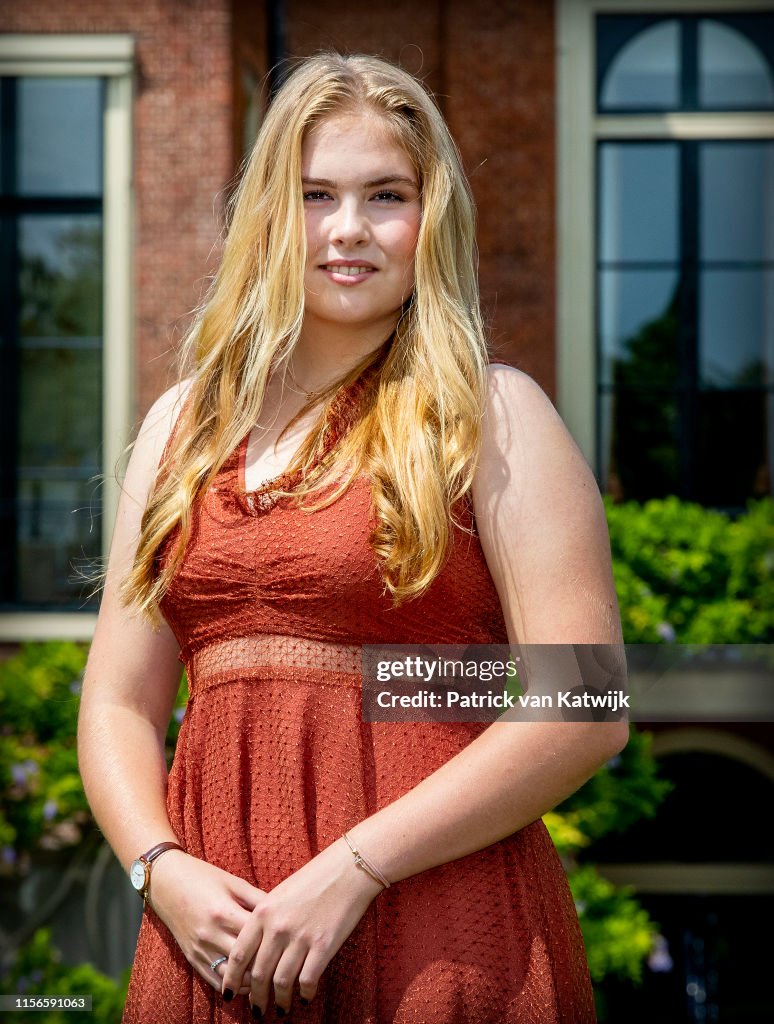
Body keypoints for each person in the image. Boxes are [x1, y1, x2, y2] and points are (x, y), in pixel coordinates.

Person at [77, 51, 628, 1024]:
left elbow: (585, 701)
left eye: (386, 195)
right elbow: (118, 703)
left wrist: (355, 866)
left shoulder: (492, 414)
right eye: (314, 194)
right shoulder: (181, 426)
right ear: (267, 217)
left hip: (437, 933)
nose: (347, 229)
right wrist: (157, 869)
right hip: (216, 938)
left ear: (431, 216)